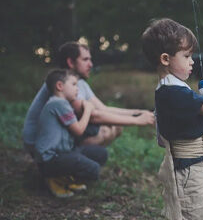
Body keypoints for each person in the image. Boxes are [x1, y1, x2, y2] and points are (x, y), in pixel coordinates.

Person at [141, 18, 203, 219]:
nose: (192, 61)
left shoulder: (172, 87)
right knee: (194, 215)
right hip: (188, 171)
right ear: (165, 59)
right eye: (187, 56)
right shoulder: (173, 91)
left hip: (190, 166)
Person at [23, 41, 155, 157]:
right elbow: (93, 116)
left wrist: (138, 112)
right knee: (104, 130)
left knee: (115, 127)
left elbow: (103, 109)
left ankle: (78, 164)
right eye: (85, 60)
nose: (91, 64)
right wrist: (137, 121)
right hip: (38, 143)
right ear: (70, 62)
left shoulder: (79, 83)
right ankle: (67, 169)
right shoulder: (63, 84)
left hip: (58, 137)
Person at [35, 69, 108, 198]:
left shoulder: (62, 103)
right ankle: (55, 178)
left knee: (101, 153)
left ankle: (64, 177)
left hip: (64, 153)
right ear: (59, 86)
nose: (77, 89)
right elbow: (79, 130)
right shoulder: (58, 104)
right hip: (50, 160)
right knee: (93, 169)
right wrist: (88, 110)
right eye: (74, 84)